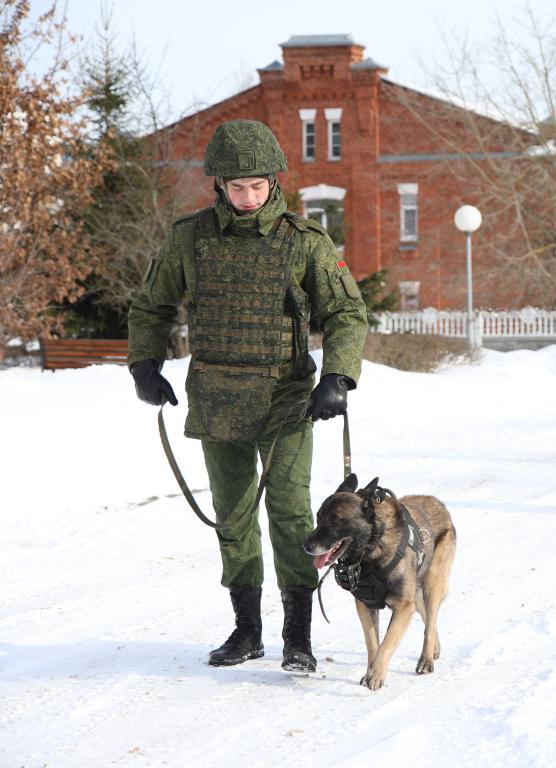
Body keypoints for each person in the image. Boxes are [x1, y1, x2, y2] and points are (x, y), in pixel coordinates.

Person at [127, 119, 368, 670]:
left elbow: (347, 313)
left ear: (273, 182)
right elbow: (152, 306)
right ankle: (247, 629)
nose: (247, 197)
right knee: (232, 516)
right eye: (236, 188)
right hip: (216, 397)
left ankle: (298, 637)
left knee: (289, 512)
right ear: (218, 186)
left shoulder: (305, 241)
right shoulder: (188, 239)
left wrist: (338, 375)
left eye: (257, 187)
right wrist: (145, 363)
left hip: (286, 399)